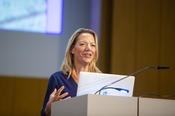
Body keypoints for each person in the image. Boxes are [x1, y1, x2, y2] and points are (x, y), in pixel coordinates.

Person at [41, 28, 101, 116]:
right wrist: (49, 109)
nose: (88, 48)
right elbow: (44, 114)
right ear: (72, 49)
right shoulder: (57, 79)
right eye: (82, 44)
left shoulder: (100, 80)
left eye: (92, 45)